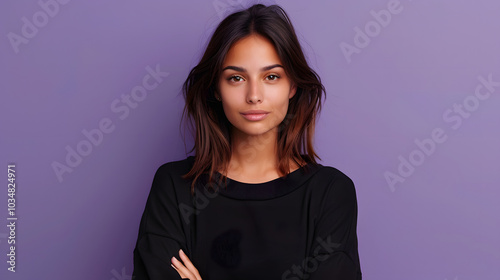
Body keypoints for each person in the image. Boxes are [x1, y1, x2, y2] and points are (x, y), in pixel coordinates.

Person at [132, 4, 362, 280]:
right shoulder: (173, 186)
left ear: (293, 86)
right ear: (216, 88)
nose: (254, 95)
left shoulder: (331, 193)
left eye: (271, 77)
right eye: (236, 78)